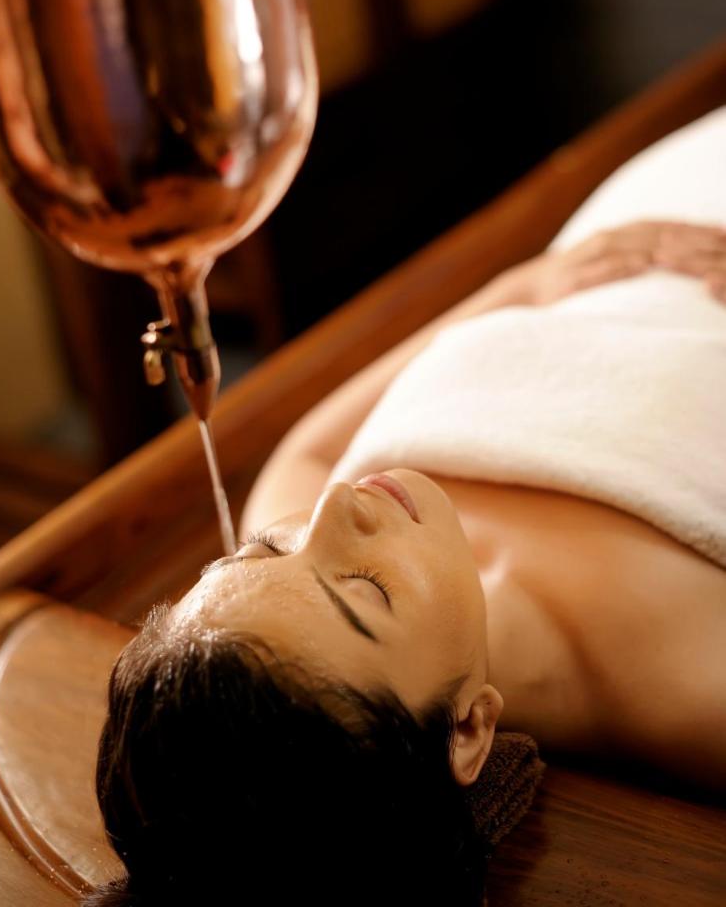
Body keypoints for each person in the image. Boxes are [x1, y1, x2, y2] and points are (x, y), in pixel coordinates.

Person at [85, 109, 726, 905]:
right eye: (364, 592)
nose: (331, 512)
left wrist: (527, 285)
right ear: (467, 729)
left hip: (642, 215)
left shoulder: (293, 554)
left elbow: (307, 452)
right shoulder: (688, 674)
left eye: (260, 554)